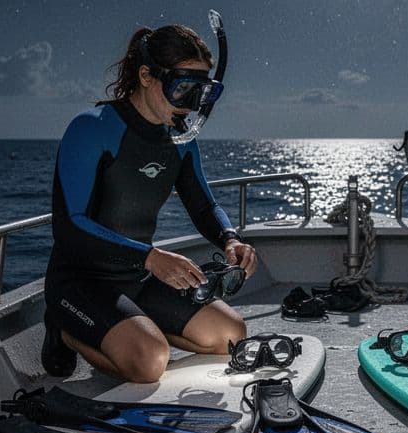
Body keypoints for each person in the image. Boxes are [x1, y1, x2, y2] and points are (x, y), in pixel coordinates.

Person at [42, 20, 254, 382]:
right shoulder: (92, 127)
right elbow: (69, 226)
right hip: (82, 281)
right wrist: (150, 256)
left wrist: (230, 238)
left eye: (201, 92)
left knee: (232, 333)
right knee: (150, 362)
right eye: (183, 89)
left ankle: (136, 324)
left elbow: (203, 204)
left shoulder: (181, 140)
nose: (190, 106)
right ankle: (62, 328)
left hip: (138, 277)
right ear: (146, 76)